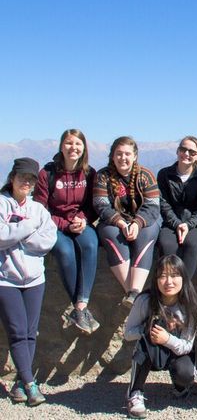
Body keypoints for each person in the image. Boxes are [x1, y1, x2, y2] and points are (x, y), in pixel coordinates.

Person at [0, 158, 57, 406]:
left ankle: (20, 383)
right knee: (17, 331)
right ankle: (31, 384)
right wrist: (28, 228)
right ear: (12, 177)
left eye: (31, 179)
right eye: (22, 177)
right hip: (6, 279)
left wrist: (19, 235)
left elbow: (47, 240)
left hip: (35, 278)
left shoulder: (38, 210)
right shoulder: (2, 205)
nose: (26, 182)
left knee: (30, 332)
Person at [33, 129, 100, 334]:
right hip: (55, 225)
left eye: (78, 144)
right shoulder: (48, 174)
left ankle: (80, 306)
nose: (74, 148)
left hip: (80, 223)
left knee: (90, 244)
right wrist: (63, 225)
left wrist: (83, 219)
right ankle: (81, 309)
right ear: (61, 146)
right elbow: (40, 208)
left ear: (84, 148)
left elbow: (93, 205)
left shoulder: (89, 173)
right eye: (69, 143)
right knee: (65, 252)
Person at [124, 254, 197, 418]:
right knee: (143, 346)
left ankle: (180, 386)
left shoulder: (190, 306)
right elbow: (128, 334)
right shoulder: (145, 301)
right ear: (155, 279)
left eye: (174, 275)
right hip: (151, 349)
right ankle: (135, 393)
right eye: (162, 276)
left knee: (185, 373)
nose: (169, 282)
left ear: (183, 278)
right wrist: (148, 330)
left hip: (176, 352)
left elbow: (187, 345)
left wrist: (167, 338)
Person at [93, 136, 161, 308]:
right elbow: (101, 205)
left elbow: (153, 206)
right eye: (119, 154)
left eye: (127, 154)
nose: (123, 158)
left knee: (148, 233)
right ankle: (135, 295)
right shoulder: (103, 176)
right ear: (113, 156)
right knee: (110, 234)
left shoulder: (145, 175)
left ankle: (135, 291)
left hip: (143, 221)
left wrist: (137, 223)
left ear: (135, 156)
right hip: (114, 222)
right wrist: (121, 223)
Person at [157, 136, 197, 278]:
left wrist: (188, 224)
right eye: (183, 149)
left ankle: (184, 290)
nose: (186, 154)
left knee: (192, 244)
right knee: (167, 245)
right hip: (170, 223)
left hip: (194, 225)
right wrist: (178, 224)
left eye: (192, 152)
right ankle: (168, 285)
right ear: (178, 151)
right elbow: (163, 203)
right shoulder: (164, 174)